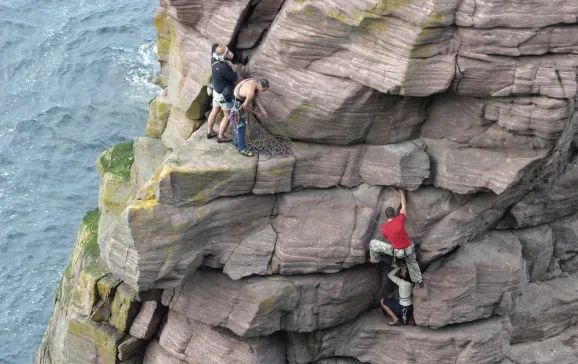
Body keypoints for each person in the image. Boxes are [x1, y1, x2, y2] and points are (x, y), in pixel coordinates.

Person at [368, 188, 424, 286]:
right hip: (409, 249)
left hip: (397, 253)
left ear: (386, 216)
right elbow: (404, 205)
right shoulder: (400, 219)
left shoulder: (384, 228)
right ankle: (419, 280)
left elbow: (387, 239)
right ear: (395, 214)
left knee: (373, 243)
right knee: (412, 263)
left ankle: (375, 259)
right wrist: (402, 192)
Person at [230, 78, 269, 156]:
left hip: (236, 97)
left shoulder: (255, 81)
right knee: (241, 126)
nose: (265, 91)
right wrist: (256, 113)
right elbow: (245, 107)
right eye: (264, 90)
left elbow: (256, 97)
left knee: (238, 125)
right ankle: (242, 149)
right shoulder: (250, 92)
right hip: (236, 103)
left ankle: (237, 142)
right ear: (258, 85)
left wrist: (262, 110)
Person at [207, 44, 237, 142]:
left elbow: (214, 45)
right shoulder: (224, 67)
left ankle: (210, 131)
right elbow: (233, 77)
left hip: (216, 90)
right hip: (223, 94)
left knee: (214, 111)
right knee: (227, 115)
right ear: (223, 55)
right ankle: (221, 136)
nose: (229, 53)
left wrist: (224, 52)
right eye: (227, 52)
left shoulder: (213, 59)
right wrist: (233, 66)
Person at [380, 260, 414, 326]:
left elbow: (390, 275)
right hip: (409, 309)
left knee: (382, 301)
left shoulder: (402, 283)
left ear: (406, 274)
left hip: (401, 309)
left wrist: (398, 267)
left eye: (404, 270)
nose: (402, 270)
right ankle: (402, 317)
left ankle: (395, 320)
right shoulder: (412, 282)